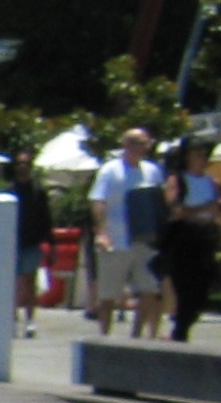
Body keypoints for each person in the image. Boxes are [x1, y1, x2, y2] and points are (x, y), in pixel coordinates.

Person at [90, 127, 168, 339]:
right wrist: (102, 233)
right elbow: (98, 201)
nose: (142, 147)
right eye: (137, 142)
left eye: (145, 143)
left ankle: (140, 337)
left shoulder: (153, 171)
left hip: (145, 241)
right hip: (116, 241)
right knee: (108, 295)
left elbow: (159, 202)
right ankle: (104, 338)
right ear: (125, 145)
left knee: (149, 291)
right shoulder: (110, 170)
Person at [162, 139, 219, 344]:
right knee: (186, 286)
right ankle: (179, 332)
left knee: (203, 288)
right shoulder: (177, 181)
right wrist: (205, 208)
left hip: (206, 238)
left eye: (204, 155)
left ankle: (181, 328)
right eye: (197, 155)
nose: (202, 159)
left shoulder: (211, 182)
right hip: (184, 239)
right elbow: (177, 211)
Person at [5, 146, 54, 338]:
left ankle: (30, 320)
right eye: (20, 163)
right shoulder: (9, 191)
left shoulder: (38, 191)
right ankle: (11, 319)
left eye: (26, 163)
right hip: (11, 243)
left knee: (30, 282)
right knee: (11, 283)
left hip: (32, 242)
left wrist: (51, 244)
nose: (23, 167)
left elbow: (46, 218)